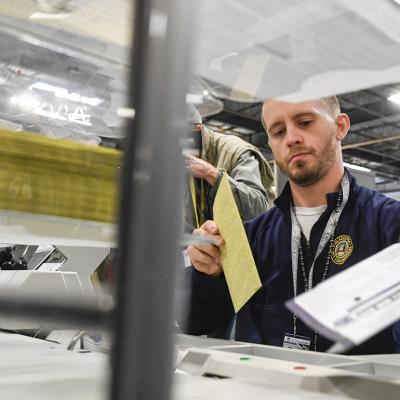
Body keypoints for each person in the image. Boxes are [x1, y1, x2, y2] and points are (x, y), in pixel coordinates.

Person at [183, 96, 400, 354]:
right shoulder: (254, 236)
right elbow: (197, 323)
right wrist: (206, 273)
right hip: (274, 386)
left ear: (340, 126)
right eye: (278, 131)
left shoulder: (389, 223)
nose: (291, 138)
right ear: (271, 145)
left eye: (305, 122)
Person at [183, 104, 275, 233]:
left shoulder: (236, 151)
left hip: (247, 246)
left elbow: (258, 208)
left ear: (197, 130)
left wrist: (211, 174)